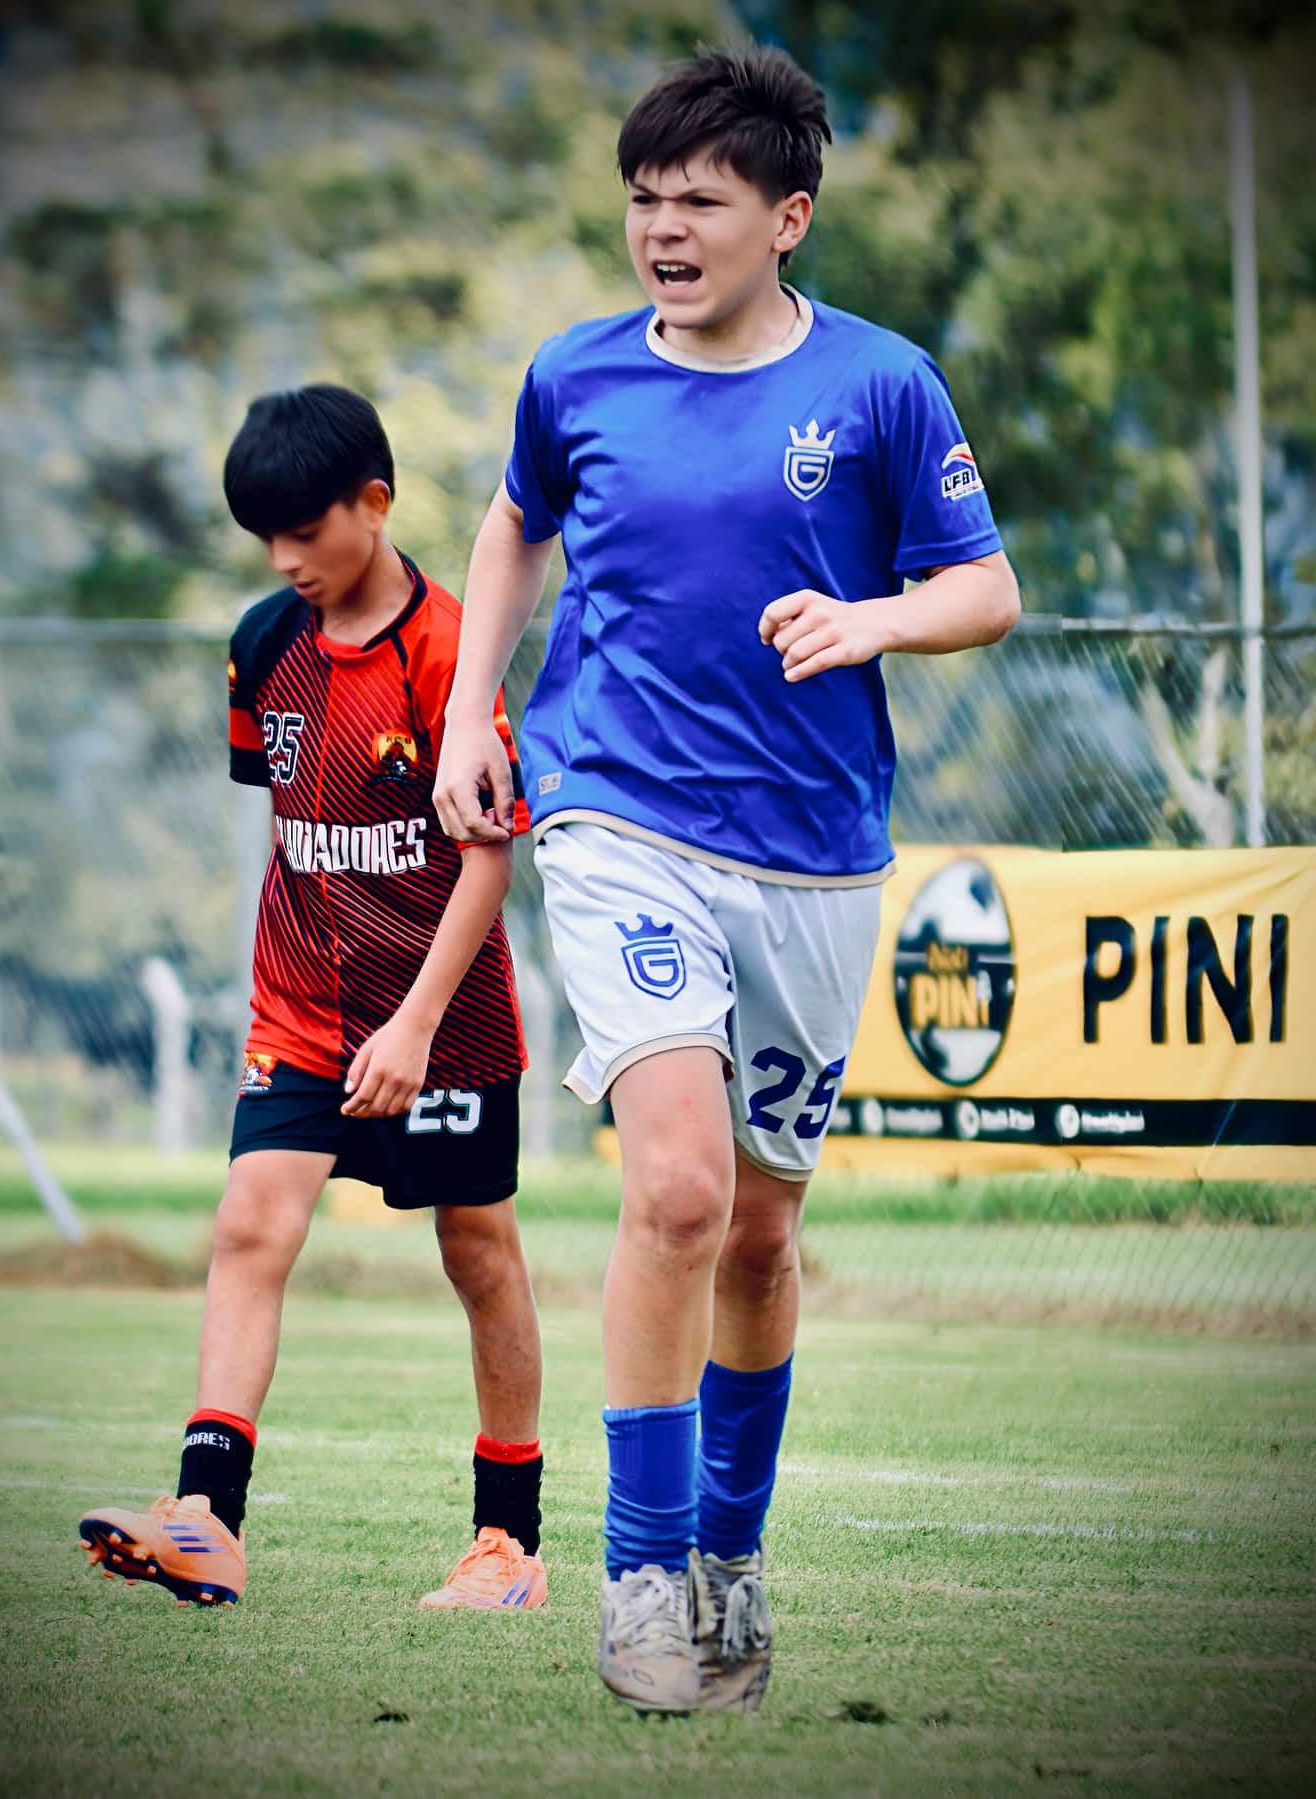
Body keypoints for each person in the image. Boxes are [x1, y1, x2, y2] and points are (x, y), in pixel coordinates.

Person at [433, 46, 1019, 1712]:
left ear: (789, 215)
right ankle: (639, 1576)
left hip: (817, 854)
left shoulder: (883, 383)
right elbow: (510, 525)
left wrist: (874, 619)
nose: (663, 230)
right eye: (643, 202)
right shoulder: (576, 374)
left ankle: (732, 1558)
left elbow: (986, 587)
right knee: (676, 1189)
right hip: (616, 817)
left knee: (761, 1230)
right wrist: (481, 701)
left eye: (699, 202)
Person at [79, 386, 547, 1614]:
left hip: (446, 1019)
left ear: (374, 504)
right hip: (300, 1009)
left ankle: (507, 1546)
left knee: (479, 1251)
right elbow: (291, 822)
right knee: (251, 1221)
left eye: (303, 530)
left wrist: (417, 1025)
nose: (285, 559)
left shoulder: (453, 650)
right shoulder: (260, 642)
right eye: (265, 538)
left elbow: (490, 853)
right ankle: (205, 1516)